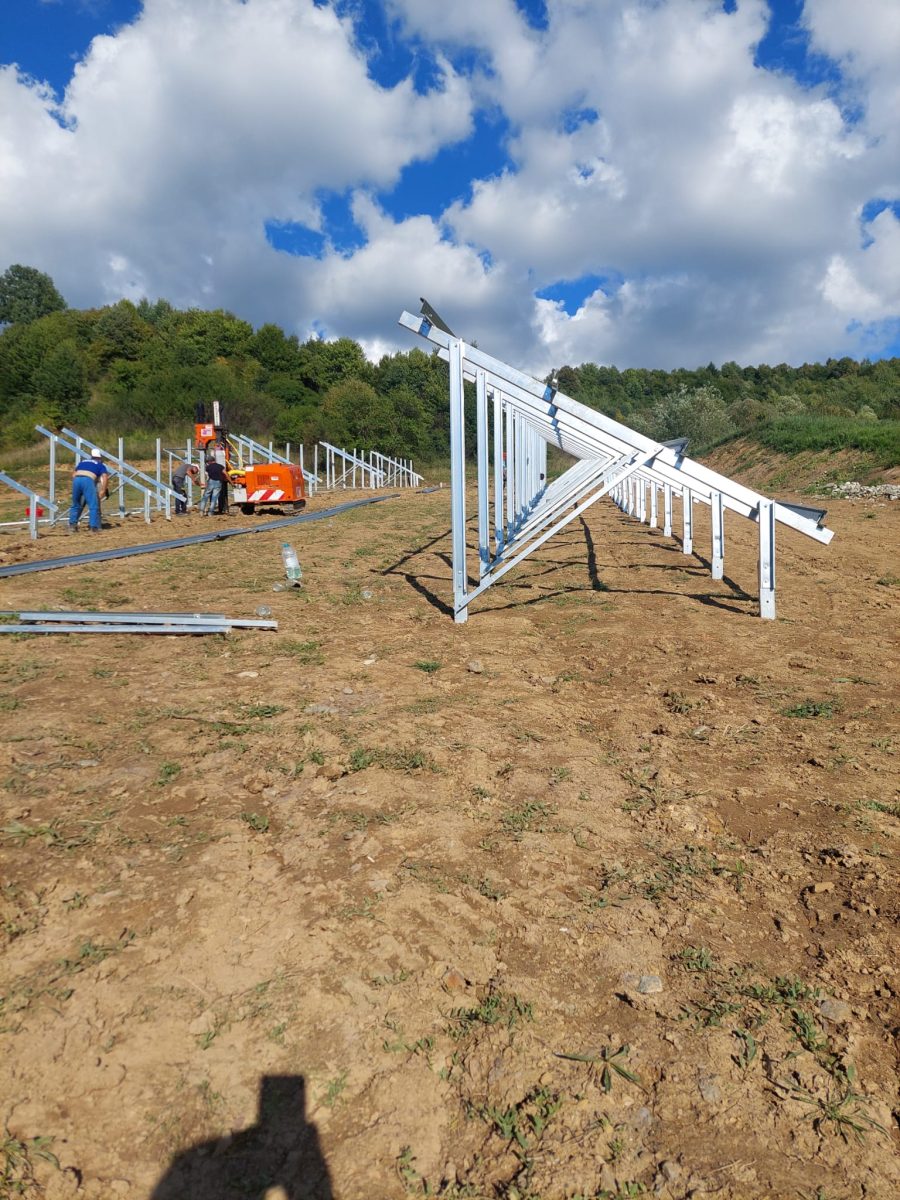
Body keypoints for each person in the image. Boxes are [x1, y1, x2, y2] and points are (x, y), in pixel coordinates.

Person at [68, 448, 109, 532]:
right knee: (93, 505)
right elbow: (105, 477)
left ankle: (72, 525)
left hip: (76, 480)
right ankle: (94, 527)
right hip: (88, 480)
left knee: (76, 504)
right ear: (99, 458)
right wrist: (103, 490)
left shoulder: (82, 462)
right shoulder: (100, 464)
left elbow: (74, 474)